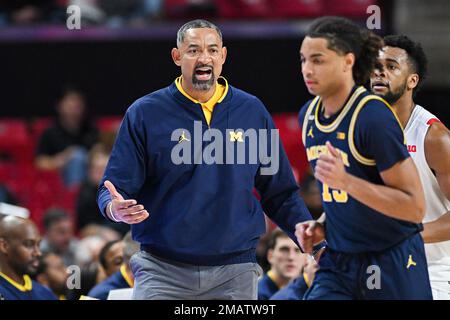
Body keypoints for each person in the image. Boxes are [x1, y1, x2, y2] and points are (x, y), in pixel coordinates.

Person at [97, 19, 313, 300]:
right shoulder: (145, 113)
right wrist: (115, 208)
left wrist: (310, 237)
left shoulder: (252, 111)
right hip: (162, 270)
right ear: (177, 57)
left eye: (212, 50)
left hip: (235, 272)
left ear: (223, 56)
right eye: (193, 50)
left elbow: (280, 192)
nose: (204, 58)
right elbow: (112, 189)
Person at [295, 16, 431, 300]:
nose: (308, 69)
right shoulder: (308, 115)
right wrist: (321, 224)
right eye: (304, 60)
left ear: (348, 61)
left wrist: (347, 182)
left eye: (318, 60)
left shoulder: (372, 116)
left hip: (391, 257)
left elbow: (414, 206)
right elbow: (342, 196)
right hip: (340, 260)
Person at [370, 35, 450, 300]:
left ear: (412, 81)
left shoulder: (434, 137)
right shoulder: (361, 127)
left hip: (431, 271)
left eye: (391, 66)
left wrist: (405, 236)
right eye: (375, 65)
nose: (379, 72)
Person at [35, 87, 99, 187]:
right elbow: (40, 162)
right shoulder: (50, 132)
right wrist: (62, 159)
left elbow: (99, 153)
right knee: (77, 157)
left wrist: (93, 155)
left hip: (90, 176)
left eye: (78, 104)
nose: (74, 107)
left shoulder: (91, 130)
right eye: (71, 103)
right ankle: (76, 195)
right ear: (59, 106)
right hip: (60, 178)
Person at [0, 216, 57, 300]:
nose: (38, 253)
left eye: (38, 245)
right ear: (4, 246)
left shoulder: (45, 293)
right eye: (29, 244)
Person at [88, 232, 139, 300]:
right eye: (118, 261)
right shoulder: (100, 294)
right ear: (106, 271)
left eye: (129, 256)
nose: (127, 263)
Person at [257, 229, 305, 300]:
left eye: (297, 250)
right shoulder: (256, 294)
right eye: (284, 250)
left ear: (305, 258)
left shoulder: (310, 291)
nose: (291, 257)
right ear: (270, 256)